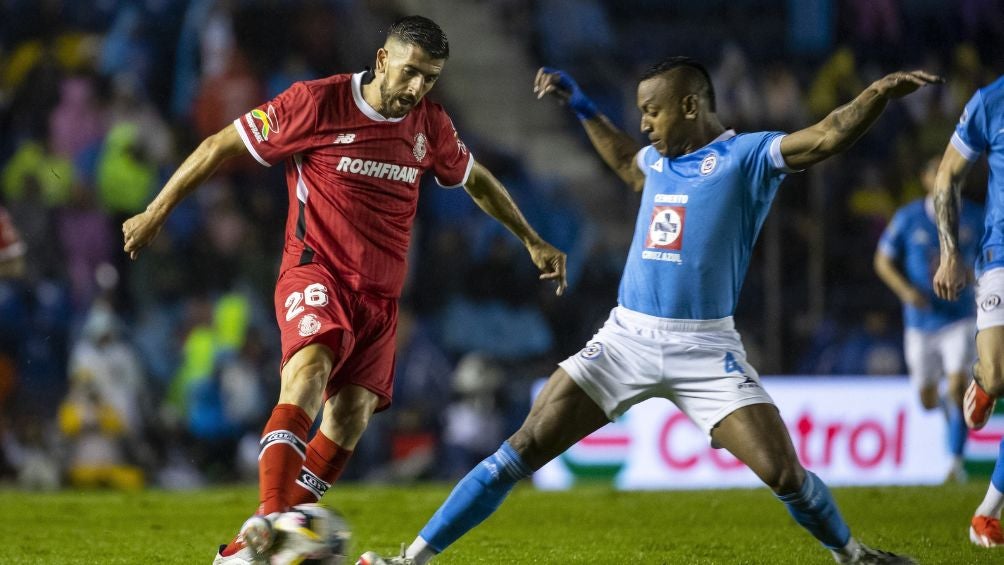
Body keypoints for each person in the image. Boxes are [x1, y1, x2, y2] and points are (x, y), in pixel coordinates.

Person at [359, 59, 940, 565]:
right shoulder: (658, 162)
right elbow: (624, 162)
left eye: (652, 112)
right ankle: (409, 559)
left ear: (690, 105)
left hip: (706, 349)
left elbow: (826, 135)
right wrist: (582, 106)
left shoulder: (745, 157)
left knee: (784, 474)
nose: (643, 124)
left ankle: (854, 556)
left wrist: (876, 96)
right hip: (625, 339)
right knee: (523, 445)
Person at [121, 15, 567, 565]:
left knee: (350, 416)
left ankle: (255, 548)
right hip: (316, 271)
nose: (417, 88)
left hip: (380, 298)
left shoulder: (430, 124)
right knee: (308, 373)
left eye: (429, 78)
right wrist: (156, 210)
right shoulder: (318, 102)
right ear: (382, 60)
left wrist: (531, 239)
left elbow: (474, 179)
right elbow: (219, 144)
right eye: (409, 73)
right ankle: (271, 518)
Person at [874, 156, 983, 482]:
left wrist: (975, 277)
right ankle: (950, 413)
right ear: (924, 179)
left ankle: (955, 461)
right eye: (936, 172)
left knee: (958, 383)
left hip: (960, 318)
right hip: (921, 323)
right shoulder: (908, 218)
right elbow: (882, 261)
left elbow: (987, 260)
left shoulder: (975, 216)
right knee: (926, 399)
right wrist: (905, 291)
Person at [932, 73, 1004, 548]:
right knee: (998, 376)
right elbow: (947, 175)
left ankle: (986, 514)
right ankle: (982, 382)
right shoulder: (990, 102)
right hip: (1001, 257)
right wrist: (949, 252)